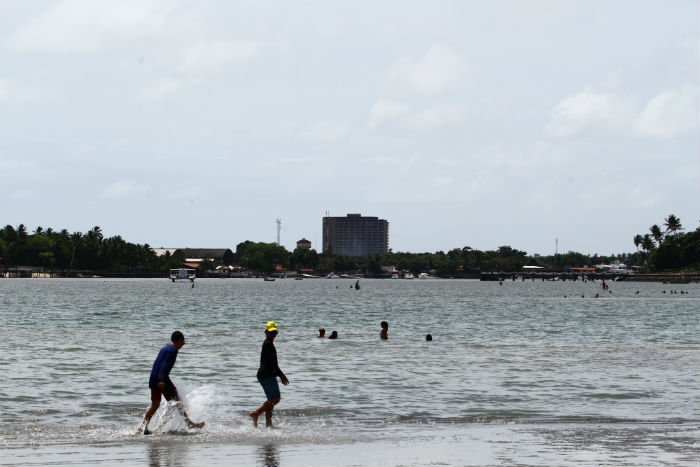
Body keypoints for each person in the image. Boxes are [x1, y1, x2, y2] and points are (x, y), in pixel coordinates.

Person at [139, 331, 205, 435]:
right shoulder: (173, 350)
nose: (182, 345)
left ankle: (143, 428)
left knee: (155, 404)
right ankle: (189, 424)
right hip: (162, 379)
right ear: (179, 340)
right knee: (178, 401)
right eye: (183, 342)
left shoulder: (165, 347)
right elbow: (164, 365)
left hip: (153, 377)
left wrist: (157, 379)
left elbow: (157, 363)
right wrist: (161, 380)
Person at [250, 321, 289, 428]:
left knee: (271, 401)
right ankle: (256, 413)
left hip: (264, 374)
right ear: (266, 332)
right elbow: (273, 364)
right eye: (271, 332)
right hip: (267, 375)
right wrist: (282, 375)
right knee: (275, 399)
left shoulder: (268, 343)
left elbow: (273, 364)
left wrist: (279, 374)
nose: (273, 334)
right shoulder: (268, 345)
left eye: (275, 332)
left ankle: (269, 424)